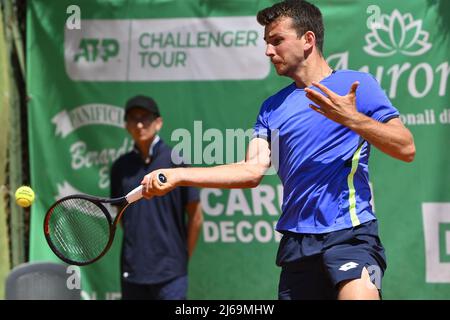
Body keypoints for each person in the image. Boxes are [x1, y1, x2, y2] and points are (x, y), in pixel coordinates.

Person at [140, 0, 415, 300]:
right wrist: (180, 175)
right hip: (297, 245)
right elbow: (251, 171)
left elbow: (405, 147)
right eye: (266, 43)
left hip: (350, 234)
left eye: (277, 41)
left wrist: (353, 119)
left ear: (308, 40)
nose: (268, 51)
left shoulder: (356, 85)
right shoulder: (271, 108)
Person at [110, 95, 203, 300]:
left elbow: (196, 216)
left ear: (158, 123)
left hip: (171, 273)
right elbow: (122, 217)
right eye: (134, 118)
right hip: (133, 272)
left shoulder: (176, 160)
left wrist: (181, 258)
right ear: (126, 125)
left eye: (146, 117)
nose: (140, 124)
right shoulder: (120, 167)